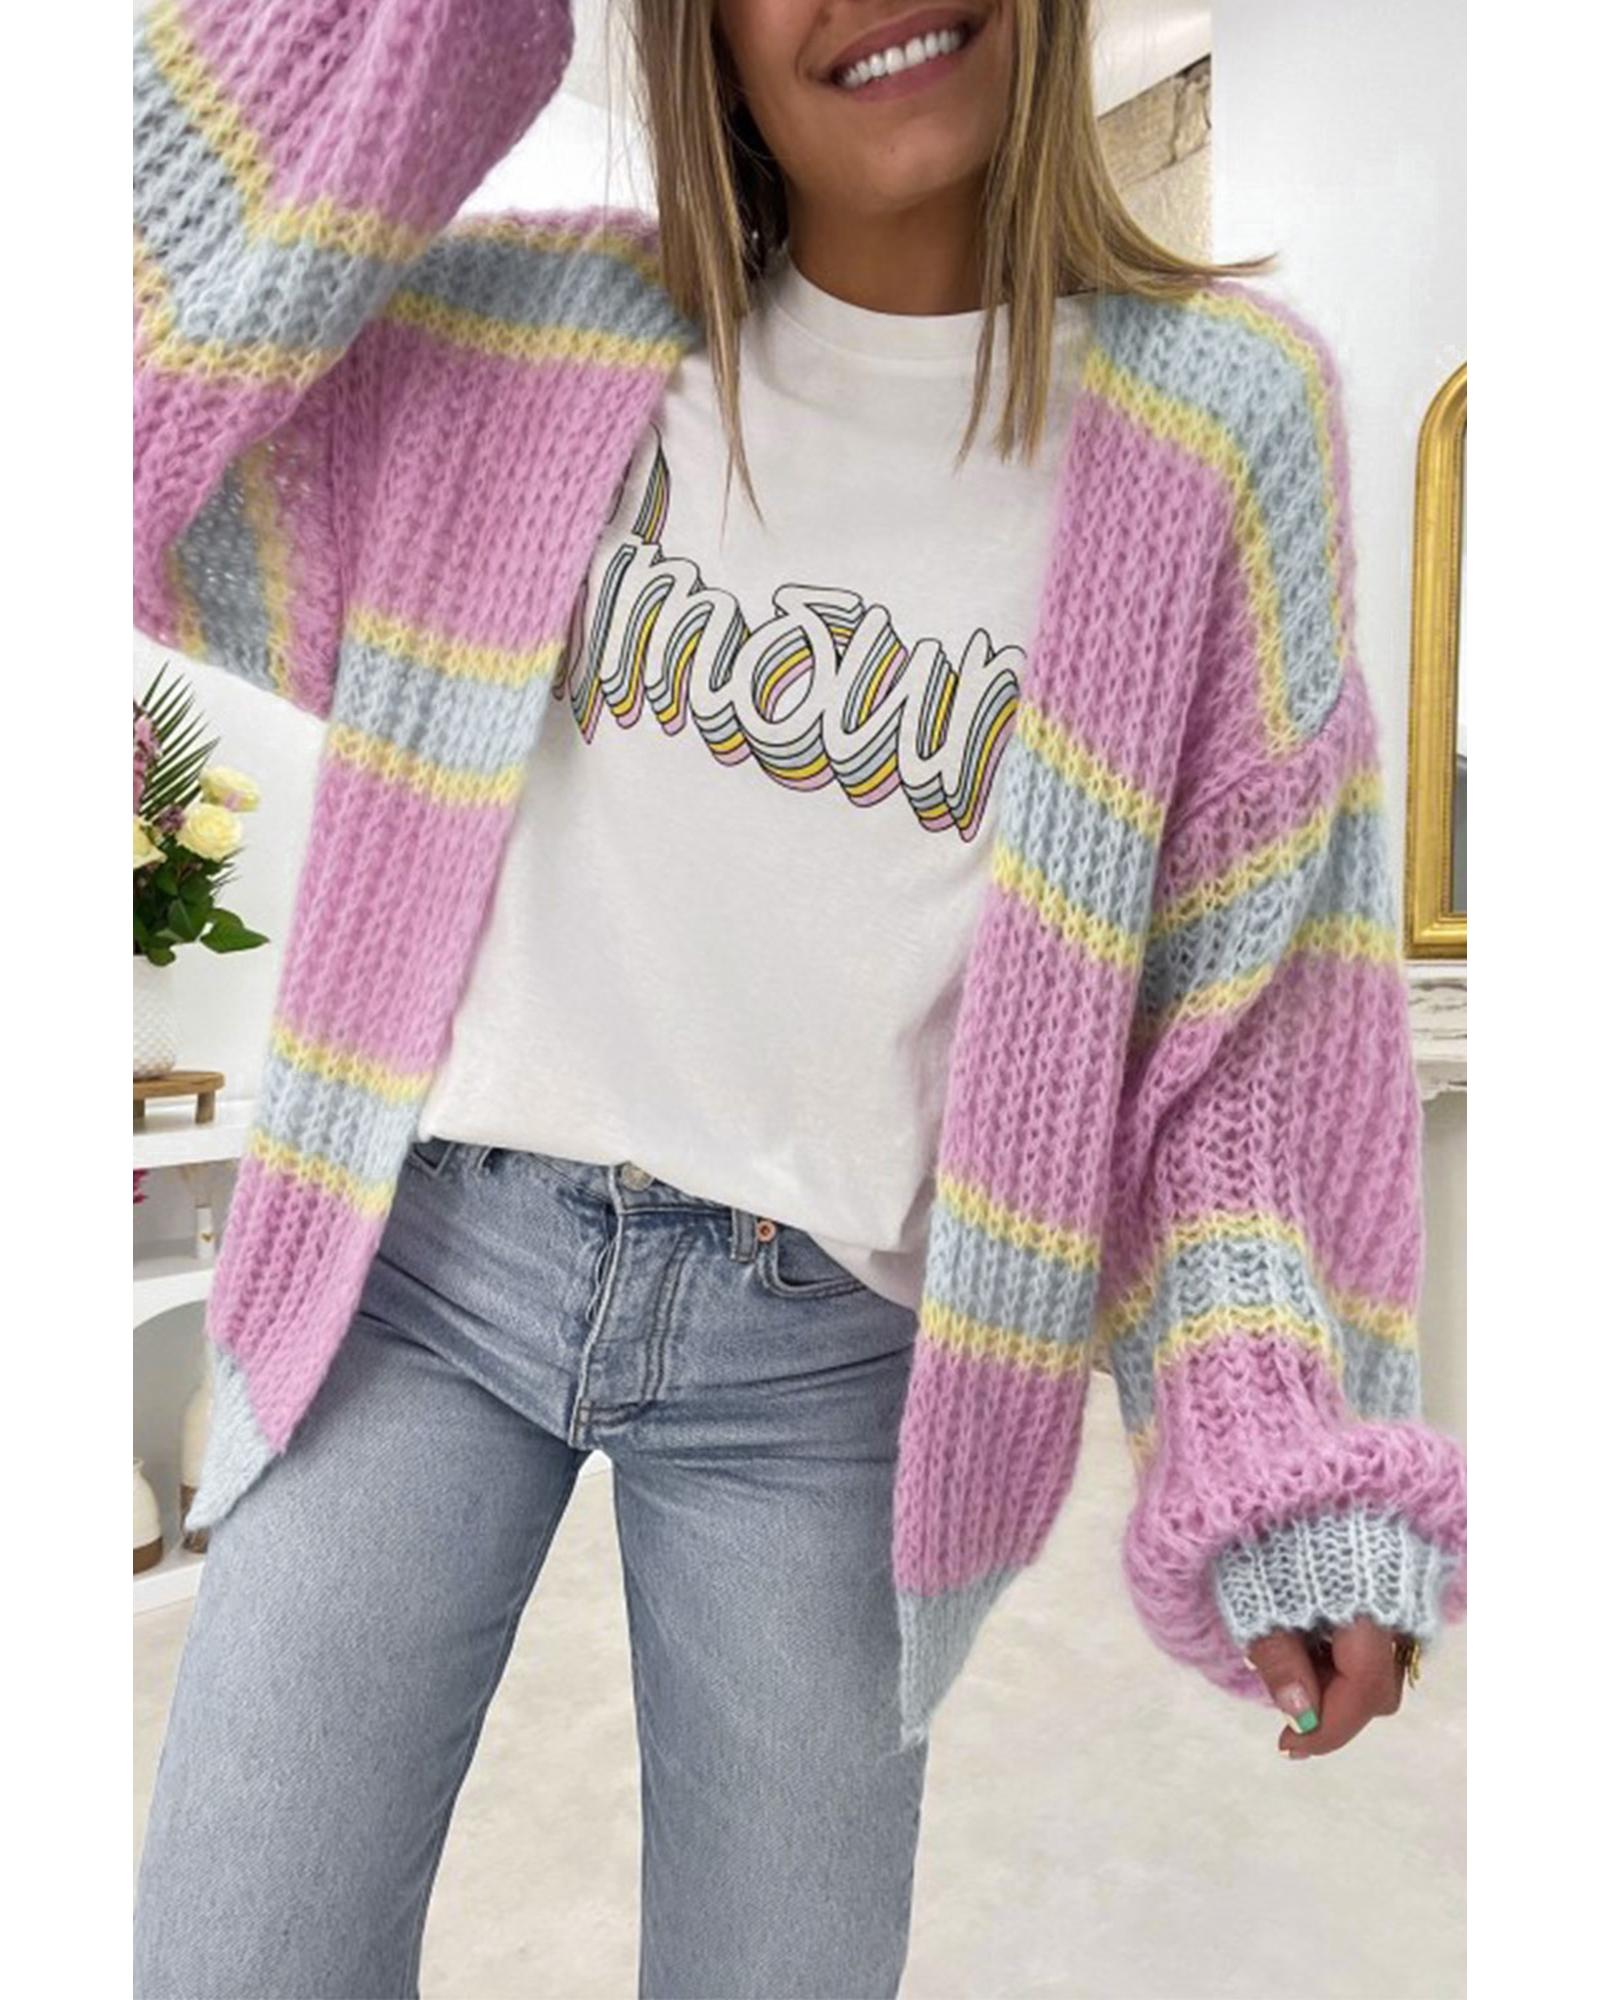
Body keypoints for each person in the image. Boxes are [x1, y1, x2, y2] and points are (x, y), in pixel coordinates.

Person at [131, 2, 1469, 1995]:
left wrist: (1283, 1454)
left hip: (827, 1360)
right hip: (419, 1271)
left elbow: (1236, 1031)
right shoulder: (523, 340)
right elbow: (121, 405)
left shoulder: (1214, 422)